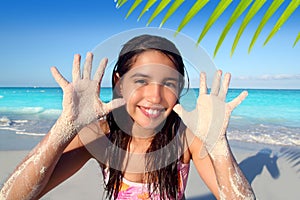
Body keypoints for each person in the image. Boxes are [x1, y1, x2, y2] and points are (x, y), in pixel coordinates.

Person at [0, 35, 255, 199]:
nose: (155, 96)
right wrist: (64, 127)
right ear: (119, 83)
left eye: (168, 83)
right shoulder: (102, 136)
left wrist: (219, 144)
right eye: (141, 80)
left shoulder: (186, 139)